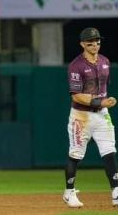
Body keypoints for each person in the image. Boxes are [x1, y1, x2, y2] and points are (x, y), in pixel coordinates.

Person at [63, 27, 118, 207]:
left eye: (97, 42)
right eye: (90, 42)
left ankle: (116, 191)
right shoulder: (76, 65)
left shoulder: (105, 61)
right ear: (82, 44)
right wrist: (101, 102)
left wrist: (105, 102)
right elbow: (77, 96)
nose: (95, 45)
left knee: (109, 151)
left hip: (102, 116)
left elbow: (102, 90)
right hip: (81, 116)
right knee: (76, 154)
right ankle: (69, 192)